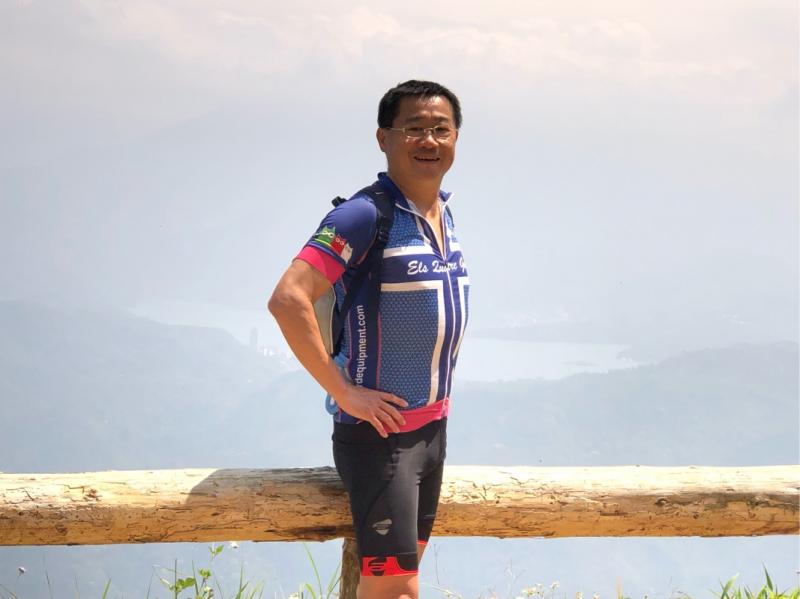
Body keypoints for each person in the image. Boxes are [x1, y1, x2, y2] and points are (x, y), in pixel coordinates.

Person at [268, 80, 468, 599]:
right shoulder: (363, 216)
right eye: (414, 128)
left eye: (441, 129)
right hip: (380, 439)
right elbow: (288, 298)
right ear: (384, 138)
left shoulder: (441, 213)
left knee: (400, 583)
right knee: (394, 592)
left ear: (456, 137)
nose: (429, 140)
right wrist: (343, 391)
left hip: (431, 431)